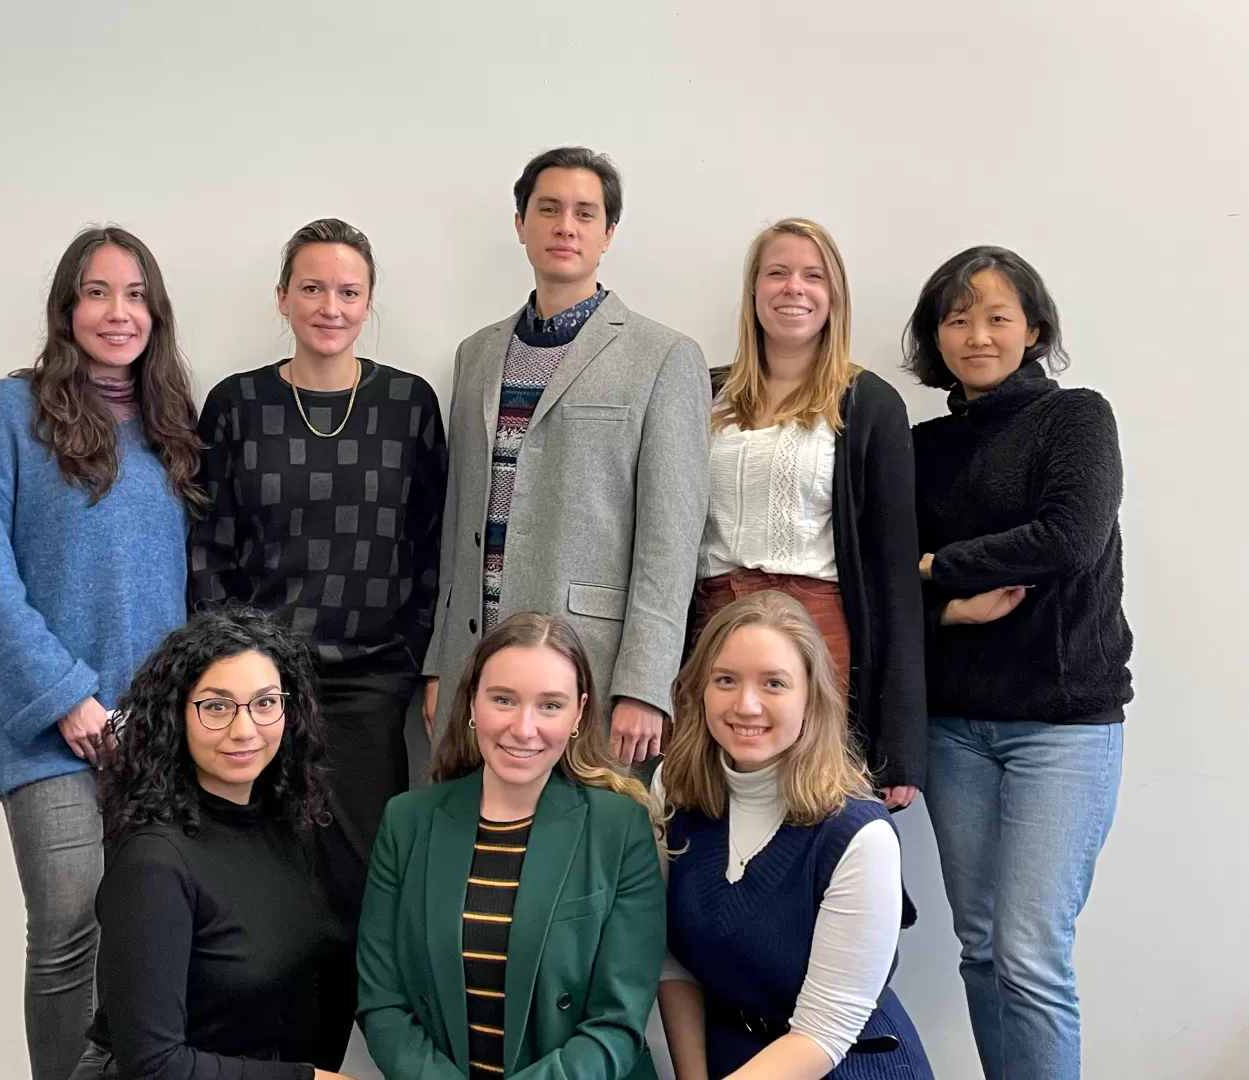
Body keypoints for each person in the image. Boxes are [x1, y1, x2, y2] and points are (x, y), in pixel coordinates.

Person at [0, 226, 203, 1080]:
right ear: (66, 306)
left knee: (153, 933)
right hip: (50, 729)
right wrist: (66, 697)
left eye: (134, 295)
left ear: (155, 313)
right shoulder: (5, 415)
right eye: (97, 292)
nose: (116, 312)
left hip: (155, 733)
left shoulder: (170, 428)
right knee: (67, 927)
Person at [186, 217, 447, 1044]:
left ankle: (332, 1058)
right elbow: (208, 546)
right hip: (256, 690)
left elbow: (433, 543)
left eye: (347, 291)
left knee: (358, 887)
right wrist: (236, 670)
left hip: (370, 687)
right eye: (312, 288)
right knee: (259, 881)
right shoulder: (236, 403)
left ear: (368, 303)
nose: (329, 306)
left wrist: (407, 658)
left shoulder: (407, 403)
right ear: (282, 297)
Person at [906, 246, 1130, 1080]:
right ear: (936, 335)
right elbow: (881, 569)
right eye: (957, 318)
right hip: (955, 724)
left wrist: (936, 568)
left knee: (1030, 954)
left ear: (1032, 328)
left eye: (997, 315)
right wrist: (945, 601)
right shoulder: (919, 444)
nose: (977, 334)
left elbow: (1066, 540)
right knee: (979, 948)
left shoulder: (1075, 417)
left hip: (1062, 725)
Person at [421, 147, 711, 772]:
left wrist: (644, 682)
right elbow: (457, 526)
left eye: (585, 212)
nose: (565, 225)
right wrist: (440, 662)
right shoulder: (476, 354)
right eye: (548, 209)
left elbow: (671, 540)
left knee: (581, 848)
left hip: (592, 665)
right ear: (521, 224)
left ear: (608, 234)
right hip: (476, 662)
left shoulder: (663, 356)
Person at [358, 612, 665, 1080]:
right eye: (503, 699)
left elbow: (617, 1023)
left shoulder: (619, 829)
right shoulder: (406, 822)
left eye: (550, 705)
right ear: (472, 704)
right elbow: (382, 1001)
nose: (524, 728)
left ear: (579, 713)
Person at [655, 591, 933, 1080]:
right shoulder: (671, 790)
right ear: (701, 688)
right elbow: (671, 959)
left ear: (811, 696)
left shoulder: (860, 834)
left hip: (846, 1065)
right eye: (726, 680)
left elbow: (823, 1032)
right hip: (729, 1059)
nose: (746, 704)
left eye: (774, 683)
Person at [67, 608, 355, 1080]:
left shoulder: (288, 825)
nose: (244, 730)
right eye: (217, 707)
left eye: (265, 703)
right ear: (176, 716)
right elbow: (154, 1064)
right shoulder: (153, 861)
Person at [698, 218, 925, 807]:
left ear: (835, 296)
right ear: (753, 292)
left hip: (820, 631)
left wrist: (900, 745)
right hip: (713, 625)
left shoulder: (868, 403)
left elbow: (895, 577)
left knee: (813, 806)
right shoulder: (704, 392)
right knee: (710, 802)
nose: (793, 288)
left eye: (812, 275)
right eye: (776, 273)